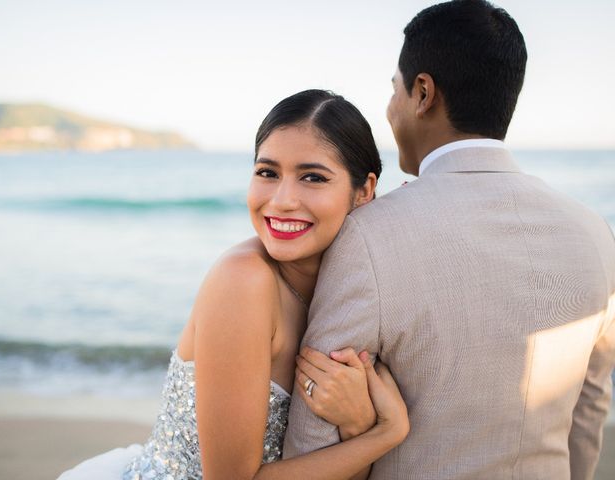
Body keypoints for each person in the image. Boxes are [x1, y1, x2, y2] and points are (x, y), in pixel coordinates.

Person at [284, 1, 615, 479]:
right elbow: (587, 413)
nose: (390, 108)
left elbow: (315, 425)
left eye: (393, 90)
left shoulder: (370, 233)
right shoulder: (595, 233)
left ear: (422, 93)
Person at [57, 89, 410, 480]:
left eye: (312, 177)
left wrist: (356, 421)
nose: (282, 201)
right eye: (267, 173)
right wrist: (384, 433)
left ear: (363, 191)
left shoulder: (355, 291)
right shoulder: (244, 281)